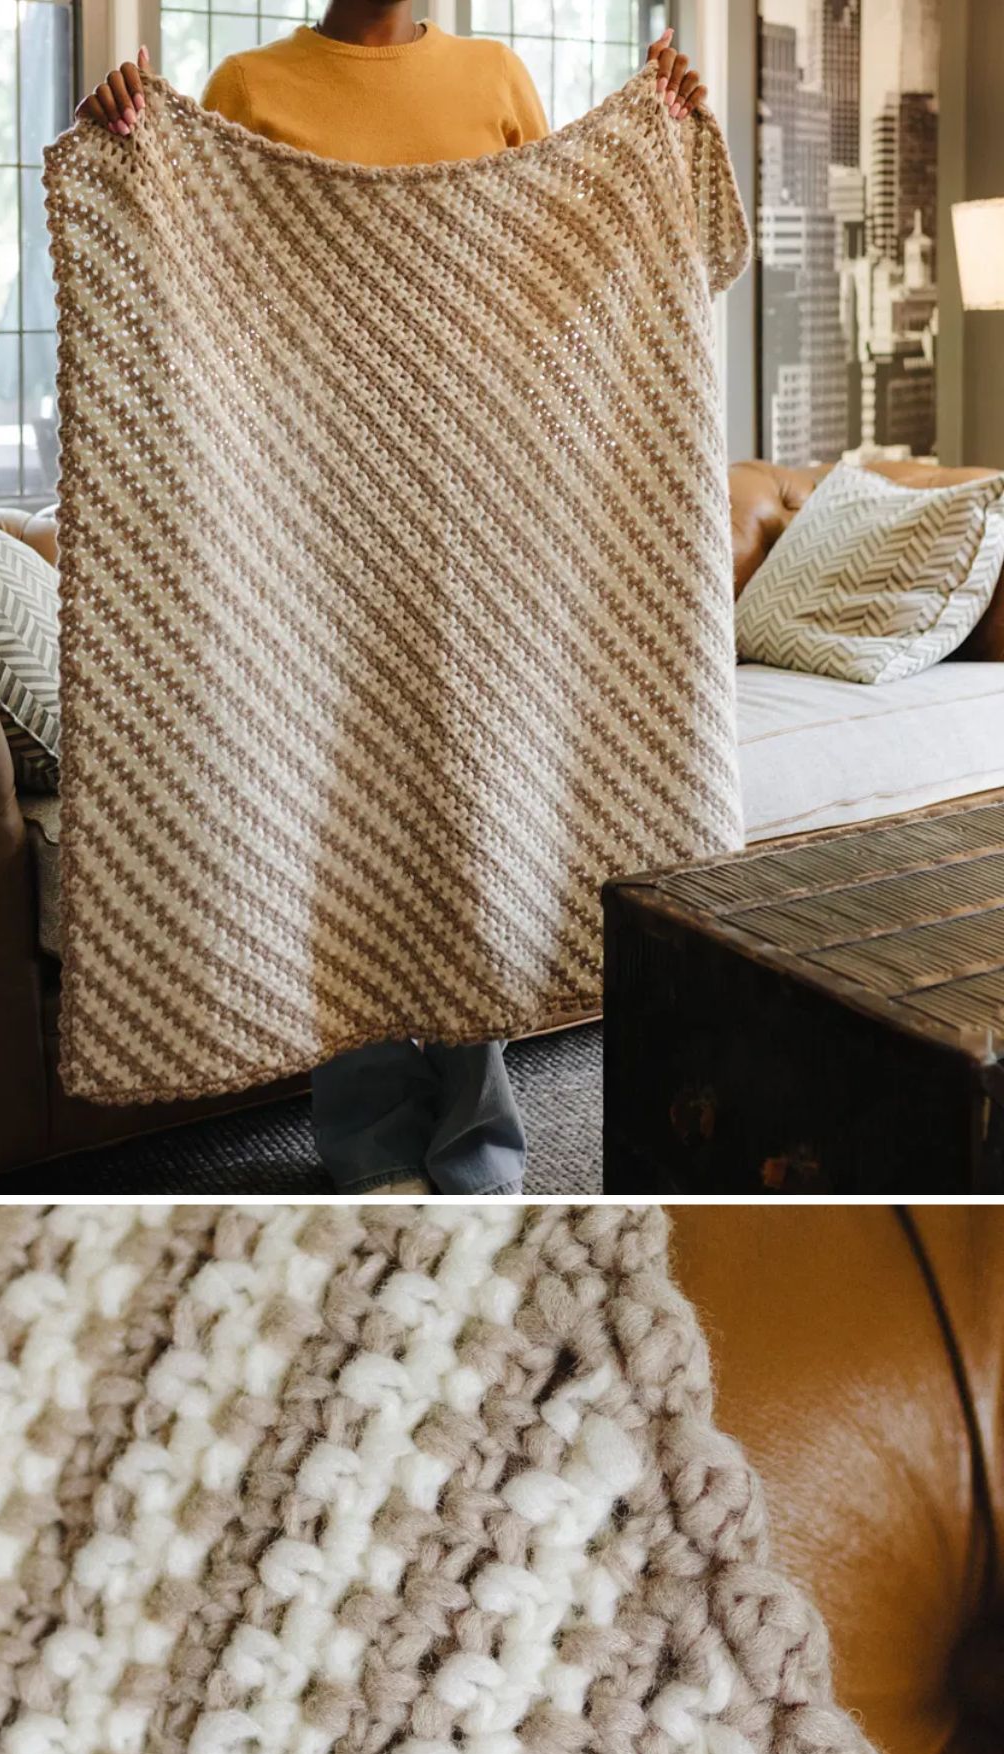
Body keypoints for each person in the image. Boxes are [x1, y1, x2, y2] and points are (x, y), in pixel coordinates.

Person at [77, 18, 707, 1193]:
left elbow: (567, 272)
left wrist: (657, 139)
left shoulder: (495, 78)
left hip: (486, 524)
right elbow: (211, 304)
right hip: (311, 527)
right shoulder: (250, 87)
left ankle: (479, 1144)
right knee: (341, 811)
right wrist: (132, 146)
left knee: (477, 823)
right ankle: (366, 1146)